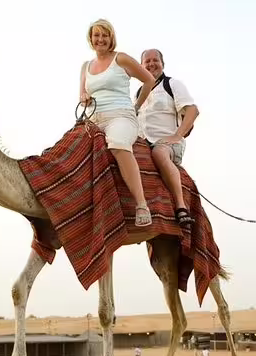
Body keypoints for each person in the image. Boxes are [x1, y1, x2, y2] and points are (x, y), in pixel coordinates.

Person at [80, 19, 155, 227]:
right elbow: (82, 94)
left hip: (120, 115)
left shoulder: (120, 59)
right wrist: (84, 97)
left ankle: (142, 204)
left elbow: (149, 80)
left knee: (118, 143)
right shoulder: (85, 67)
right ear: (91, 38)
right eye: (97, 35)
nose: (100, 39)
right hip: (93, 119)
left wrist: (136, 106)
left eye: (105, 35)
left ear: (111, 38)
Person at [137, 49, 200, 228]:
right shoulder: (139, 93)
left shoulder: (171, 84)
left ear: (162, 63)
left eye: (155, 60)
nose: (151, 64)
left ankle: (180, 206)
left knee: (158, 152)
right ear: (141, 66)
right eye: (147, 61)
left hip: (166, 144)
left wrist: (177, 135)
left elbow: (192, 110)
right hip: (143, 143)